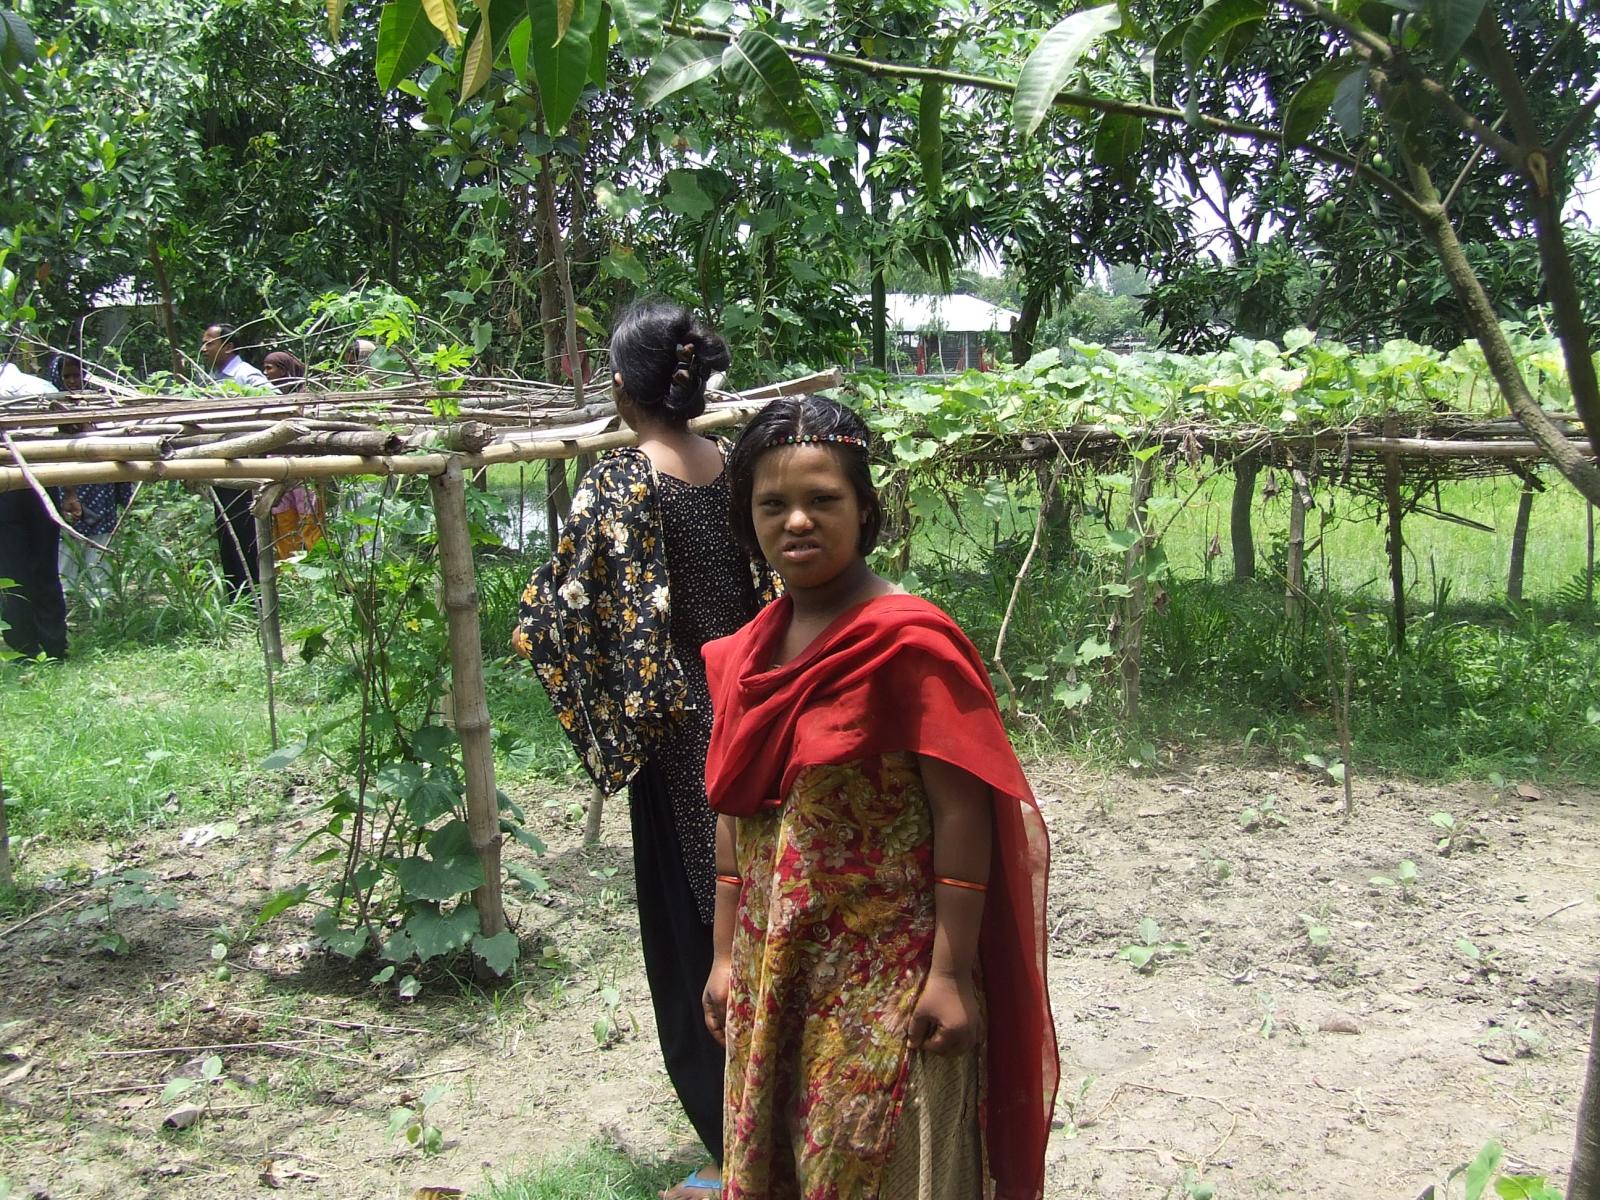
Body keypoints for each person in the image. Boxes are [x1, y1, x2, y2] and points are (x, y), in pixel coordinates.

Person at [700, 395, 1058, 1200]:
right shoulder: (749, 653)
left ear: (865, 509)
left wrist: (951, 975)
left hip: (885, 979)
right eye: (773, 504)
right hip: (775, 965)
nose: (798, 521)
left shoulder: (908, 644)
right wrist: (725, 955)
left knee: (871, 1164)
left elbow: (965, 812)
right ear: (746, 519)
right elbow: (734, 809)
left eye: (823, 499)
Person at [513, 300, 778, 1200]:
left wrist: (538, 635)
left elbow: (569, 612)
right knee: (759, 926)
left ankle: (733, 1150)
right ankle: (775, 1124)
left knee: (699, 946)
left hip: (679, 747)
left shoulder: (622, 482)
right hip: (759, 719)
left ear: (622, 387)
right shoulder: (735, 469)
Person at [0, 356, 68, 659]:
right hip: (43, 485)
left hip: (5, 490)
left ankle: (23, 646)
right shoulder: (41, 386)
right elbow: (66, 440)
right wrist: (71, 493)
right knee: (45, 566)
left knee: (10, 569)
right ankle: (54, 642)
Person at [47, 356, 132, 594]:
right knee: (67, 549)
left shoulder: (100, 405)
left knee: (100, 549)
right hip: (66, 487)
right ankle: (68, 601)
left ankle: (101, 603)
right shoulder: (48, 412)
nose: (73, 381)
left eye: (77, 375)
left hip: (100, 488)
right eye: (67, 376)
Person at [200, 322, 269, 596]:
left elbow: (274, 402)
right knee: (227, 531)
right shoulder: (214, 378)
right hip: (223, 464)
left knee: (246, 530)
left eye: (209, 343)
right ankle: (237, 594)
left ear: (228, 346)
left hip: (244, 464)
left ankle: (256, 594)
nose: (203, 349)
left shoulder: (245, 375)